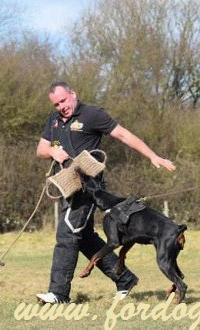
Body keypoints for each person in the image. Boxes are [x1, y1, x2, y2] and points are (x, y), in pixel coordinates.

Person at [36, 81, 176, 304]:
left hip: (89, 188)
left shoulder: (92, 114)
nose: (61, 106)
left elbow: (123, 135)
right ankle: (124, 279)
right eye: (56, 104)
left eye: (63, 100)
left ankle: (58, 294)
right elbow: (40, 149)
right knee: (84, 237)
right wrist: (54, 151)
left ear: (73, 94)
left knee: (67, 233)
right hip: (68, 187)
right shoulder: (53, 121)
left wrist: (153, 156)